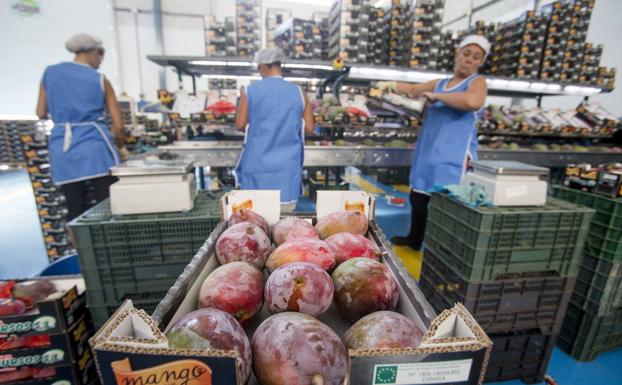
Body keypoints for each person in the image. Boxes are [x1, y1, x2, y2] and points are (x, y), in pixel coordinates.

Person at [377, 35, 490, 250]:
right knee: (418, 195)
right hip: (429, 149)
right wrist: (390, 84)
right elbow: (413, 90)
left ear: (480, 62)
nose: (469, 60)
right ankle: (414, 239)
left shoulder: (477, 82)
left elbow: (473, 101)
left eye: (476, 57)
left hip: (453, 153)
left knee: (446, 201)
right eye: (466, 54)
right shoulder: (442, 83)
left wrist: (438, 97)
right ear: (457, 54)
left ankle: (446, 248)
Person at [36, 33, 129, 220]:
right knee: (109, 205)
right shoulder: (99, 79)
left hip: (63, 147)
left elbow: (40, 112)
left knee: (75, 209)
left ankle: (82, 246)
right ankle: (108, 244)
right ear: (94, 52)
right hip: (95, 147)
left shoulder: (50, 73)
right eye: (100, 57)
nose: (100, 62)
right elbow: (118, 125)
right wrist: (121, 145)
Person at [234, 47, 314, 212]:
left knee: (256, 221)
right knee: (282, 225)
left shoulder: (250, 91)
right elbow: (310, 127)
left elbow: (240, 125)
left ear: (264, 66)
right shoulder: (299, 92)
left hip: (257, 171)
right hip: (286, 173)